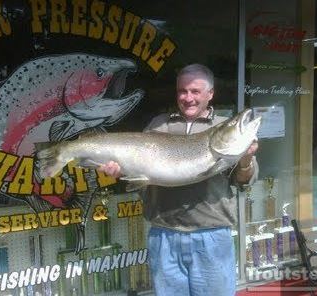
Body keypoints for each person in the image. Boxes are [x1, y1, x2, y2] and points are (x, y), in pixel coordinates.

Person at [99, 64, 258, 296]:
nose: (188, 98)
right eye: (183, 91)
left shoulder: (222, 127)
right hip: (164, 234)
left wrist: (246, 161)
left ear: (210, 94)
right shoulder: (158, 125)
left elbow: (244, 181)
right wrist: (119, 170)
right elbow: (140, 174)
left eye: (195, 91)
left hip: (211, 236)